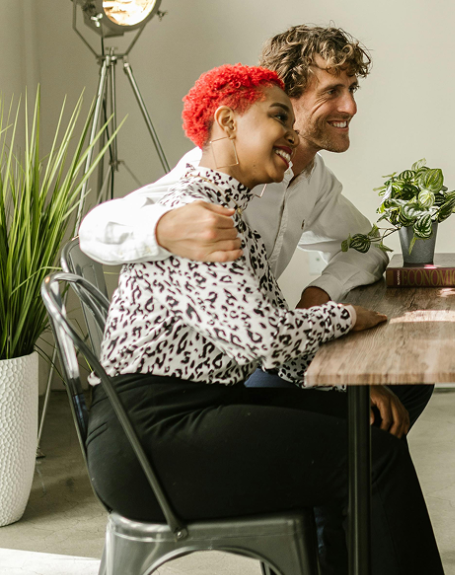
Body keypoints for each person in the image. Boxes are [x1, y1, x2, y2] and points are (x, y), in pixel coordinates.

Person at [87, 64, 449, 575]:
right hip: (152, 443)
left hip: (193, 413)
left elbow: (271, 338)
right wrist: (346, 316)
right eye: (279, 117)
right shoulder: (196, 215)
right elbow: (264, 338)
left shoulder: (233, 213)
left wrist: (353, 384)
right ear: (227, 123)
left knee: (367, 429)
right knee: (372, 457)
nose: (291, 134)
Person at [80, 24, 429, 433]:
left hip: (264, 345)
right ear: (285, 98)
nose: (350, 107)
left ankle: (347, 466)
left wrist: (318, 295)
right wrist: (163, 228)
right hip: (218, 375)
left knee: (407, 377)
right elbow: (94, 230)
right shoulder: (212, 179)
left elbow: (367, 247)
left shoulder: (314, 179)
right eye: (332, 91)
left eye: (352, 90)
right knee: (361, 413)